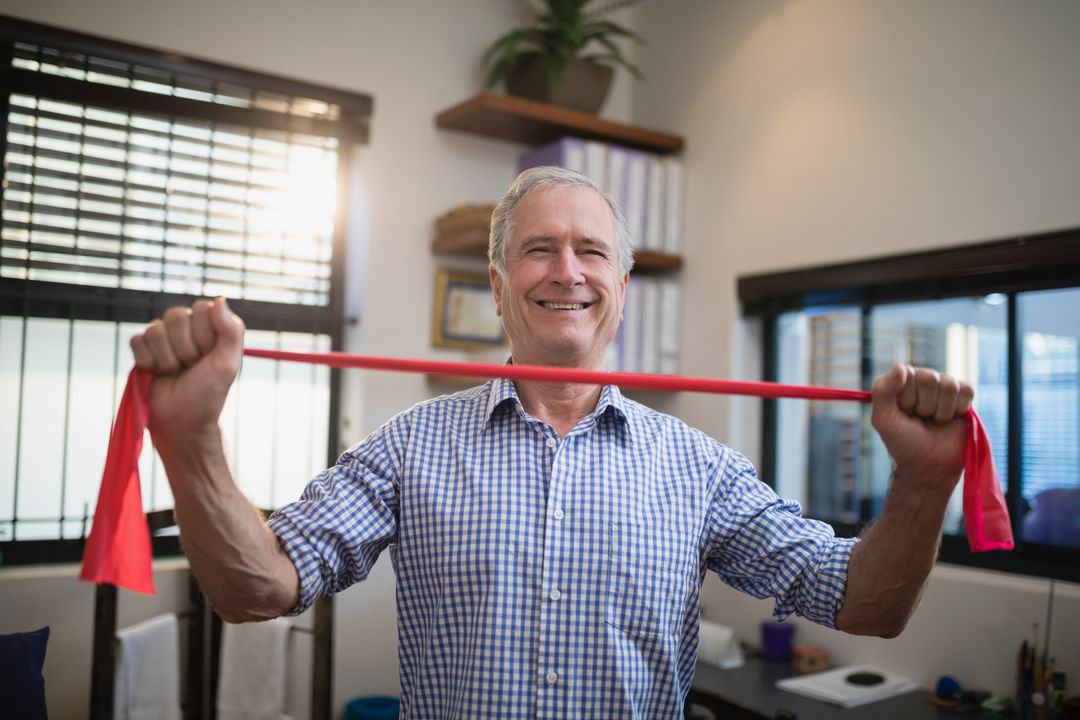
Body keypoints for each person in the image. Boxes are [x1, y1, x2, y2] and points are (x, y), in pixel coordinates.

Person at [131, 166, 974, 718]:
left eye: (590, 251)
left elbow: (864, 605)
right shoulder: (408, 448)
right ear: (499, 289)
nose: (567, 271)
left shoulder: (700, 468)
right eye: (539, 250)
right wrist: (191, 439)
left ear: (619, 287)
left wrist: (926, 481)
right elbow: (259, 590)